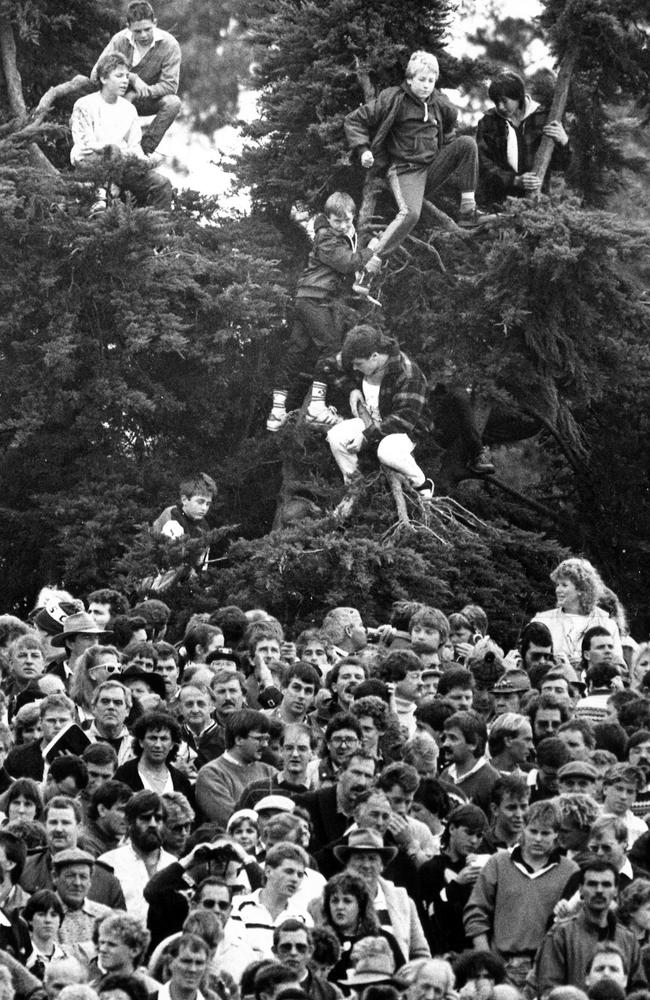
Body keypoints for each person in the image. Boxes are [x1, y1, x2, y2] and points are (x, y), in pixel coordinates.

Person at [344, 50, 494, 282]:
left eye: (431, 81)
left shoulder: (438, 104)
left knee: (467, 144)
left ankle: (468, 210)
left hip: (431, 167)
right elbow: (354, 120)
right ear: (410, 79)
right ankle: (370, 261)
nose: (426, 86)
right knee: (410, 214)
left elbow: (450, 128)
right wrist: (363, 150)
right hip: (405, 170)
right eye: (421, 80)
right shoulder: (394, 98)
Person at [266, 191, 375, 433]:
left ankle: (277, 409)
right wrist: (370, 250)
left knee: (297, 350)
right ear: (328, 219)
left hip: (308, 298)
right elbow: (347, 263)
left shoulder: (339, 237)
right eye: (338, 221)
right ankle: (316, 407)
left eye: (348, 221)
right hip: (313, 299)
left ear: (353, 218)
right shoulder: (326, 237)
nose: (343, 226)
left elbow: (340, 270)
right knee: (332, 346)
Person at [464, 799, 578, 987]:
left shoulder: (570, 870)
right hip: (501, 963)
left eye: (545, 833)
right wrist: (486, 960)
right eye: (533, 831)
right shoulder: (499, 863)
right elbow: (476, 911)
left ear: (556, 834)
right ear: (523, 829)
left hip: (547, 967)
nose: (538, 839)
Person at [325, 325, 433, 502]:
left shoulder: (408, 373)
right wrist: (352, 389)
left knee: (387, 451)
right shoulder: (361, 357)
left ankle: (423, 486)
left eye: (358, 364)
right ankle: (356, 488)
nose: (354, 368)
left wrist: (367, 436)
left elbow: (405, 419)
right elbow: (328, 365)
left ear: (375, 356)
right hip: (373, 421)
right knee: (336, 436)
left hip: (406, 430)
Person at [533, 859, 647, 997]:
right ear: (581, 889)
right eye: (592, 884)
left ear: (616, 891)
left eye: (606, 885)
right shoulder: (560, 935)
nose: (599, 890)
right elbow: (548, 989)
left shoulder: (628, 940)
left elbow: (639, 992)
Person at [91, 1, 181, 154]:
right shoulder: (120, 40)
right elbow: (96, 74)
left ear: (155, 23)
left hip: (142, 99)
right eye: (137, 31)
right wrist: (132, 78)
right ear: (128, 27)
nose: (144, 35)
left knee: (173, 103)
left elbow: (170, 86)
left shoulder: (169, 45)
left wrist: (136, 93)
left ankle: (143, 152)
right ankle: (97, 148)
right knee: (81, 85)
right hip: (113, 97)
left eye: (147, 29)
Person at [476, 71, 571, 207]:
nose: (500, 107)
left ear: (518, 96)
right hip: (497, 200)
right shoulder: (488, 122)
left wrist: (563, 142)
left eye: (504, 101)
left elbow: (560, 165)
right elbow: (483, 163)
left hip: (537, 200)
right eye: (496, 102)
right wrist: (514, 180)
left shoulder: (545, 117)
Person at [334, 828, 430, 962]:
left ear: (382, 866)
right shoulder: (327, 901)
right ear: (347, 863)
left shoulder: (403, 902)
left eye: (372, 859)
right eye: (359, 858)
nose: (366, 865)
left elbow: (420, 953)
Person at [20, 795, 126, 909]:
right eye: (53, 822)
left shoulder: (105, 880)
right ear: (45, 825)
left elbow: (117, 924)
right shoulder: (24, 869)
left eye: (66, 823)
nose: (59, 829)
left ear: (79, 827)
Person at [419, 803, 489, 955]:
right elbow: (430, 916)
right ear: (451, 829)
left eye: (479, 835)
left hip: (477, 952)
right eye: (469, 833)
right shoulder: (432, 868)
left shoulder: (483, 866)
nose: (474, 841)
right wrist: (456, 885)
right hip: (444, 953)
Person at [97, 790, 177, 923]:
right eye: (145, 818)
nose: (152, 824)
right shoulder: (108, 863)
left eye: (158, 818)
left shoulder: (174, 866)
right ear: (129, 822)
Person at [225, 843, 313, 960]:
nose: (295, 879)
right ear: (268, 871)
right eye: (289, 871)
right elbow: (234, 952)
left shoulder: (303, 918)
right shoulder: (238, 906)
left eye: (300, 875)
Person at [531, 558, 623, 668]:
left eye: (564, 585)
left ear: (581, 589)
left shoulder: (607, 624)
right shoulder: (542, 621)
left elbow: (618, 665)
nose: (557, 590)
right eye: (557, 585)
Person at [195, 710, 277, 825]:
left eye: (266, 739)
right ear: (238, 740)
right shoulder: (211, 774)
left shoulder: (269, 771)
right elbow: (232, 819)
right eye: (259, 739)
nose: (265, 745)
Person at [113, 710, 194, 801]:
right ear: (141, 742)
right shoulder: (124, 775)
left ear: (172, 744)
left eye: (164, 739)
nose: (158, 745)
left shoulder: (181, 781)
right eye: (152, 738)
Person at [50, 848, 113, 961]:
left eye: (83, 877)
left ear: (90, 881)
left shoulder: (105, 915)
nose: (77, 883)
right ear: (55, 877)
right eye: (70, 876)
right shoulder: (42, 912)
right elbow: (48, 953)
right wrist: (93, 948)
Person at [5, 693, 76, 782]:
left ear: (72, 722)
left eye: (63, 720)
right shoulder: (18, 756)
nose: (58, 726)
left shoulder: (83, 755)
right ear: (41, 722)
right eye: (51, 720)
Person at [272, 919, 342, 1000]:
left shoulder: (329, 992)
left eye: (301, 947)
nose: (293, 953)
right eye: (286, 947)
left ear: (310, 951)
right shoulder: (261, 987)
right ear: (275, 951)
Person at [23, 890, 67, 979]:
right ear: (30, 920)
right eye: (41, 914)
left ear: (59, 921)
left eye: (53, 915)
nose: (48, 920)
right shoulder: (22, 958)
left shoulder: (68, 961)